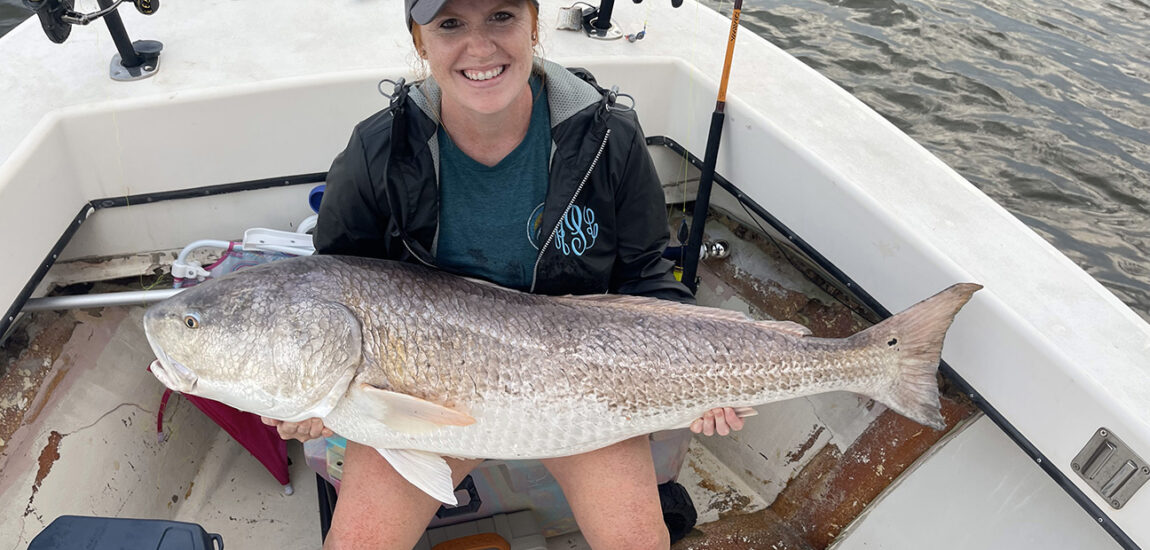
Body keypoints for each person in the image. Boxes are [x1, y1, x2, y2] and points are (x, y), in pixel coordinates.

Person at [262, 0, 746, 547]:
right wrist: (314, 402)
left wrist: (708, 375)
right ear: (420, 42)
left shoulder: (607, 136)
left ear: (534, 25)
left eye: (501, 16)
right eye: (450, 25)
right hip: (421, 397)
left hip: (585, 395)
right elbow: (335, 285)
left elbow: (645, 274)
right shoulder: (378, 150)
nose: (481, 46)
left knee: (641, 542)